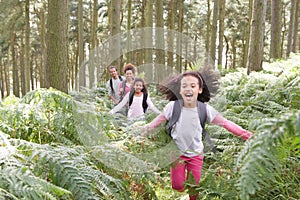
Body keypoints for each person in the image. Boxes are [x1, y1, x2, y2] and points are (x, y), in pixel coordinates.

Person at [142, 70, 252, 200]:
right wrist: (144, 131)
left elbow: (226, 123)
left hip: (196, 154)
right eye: (184, 86)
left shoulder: (205, 109)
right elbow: (157, 121)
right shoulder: (173, 107)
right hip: (177, 154)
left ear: (199, 90)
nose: (188, 89)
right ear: (180, 91)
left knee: (194, 188)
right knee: (177, 186)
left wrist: (247, 135)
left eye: (193, 86)